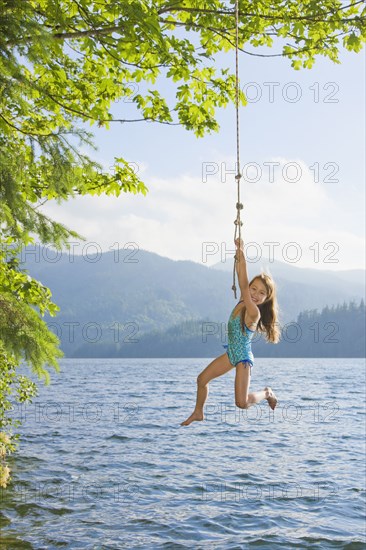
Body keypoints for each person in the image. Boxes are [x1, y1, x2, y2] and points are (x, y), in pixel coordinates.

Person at [180, 237, 280, 426]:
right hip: (231, 353)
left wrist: (242, 250)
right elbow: (241, 276)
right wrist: (238, 257)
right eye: (254, 289)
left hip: (242, 357)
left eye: (261, 293)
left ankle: (267, 393)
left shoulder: (253, 311)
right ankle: (198, 412)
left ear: (266, 298)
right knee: (201, 380)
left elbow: (242, 283)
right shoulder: (243, 301)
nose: (255, 295)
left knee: (241, 403)